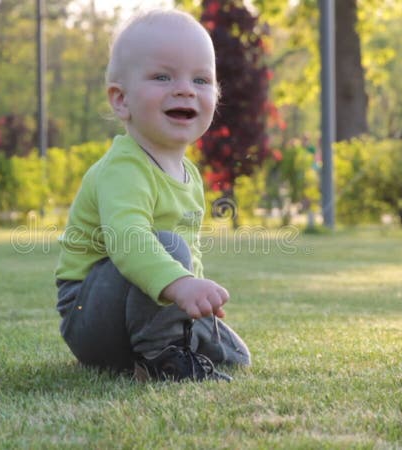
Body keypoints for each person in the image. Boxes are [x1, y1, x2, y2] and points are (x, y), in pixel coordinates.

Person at [54, 9, 251, 382]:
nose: (185, 89)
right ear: (121, 100)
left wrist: (197, 301)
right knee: (165, 245)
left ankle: (174, 341)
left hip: (140, 305)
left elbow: (190, 253)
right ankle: (162, 357)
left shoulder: (189, 174)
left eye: (201, 79)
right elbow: (129, 243)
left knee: (236, 356)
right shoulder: (124, 168)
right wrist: (181, 284)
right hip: (90, 313)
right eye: (163, 77)